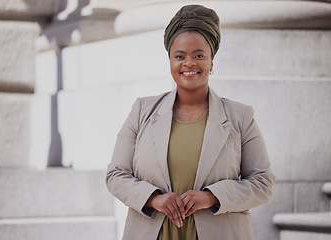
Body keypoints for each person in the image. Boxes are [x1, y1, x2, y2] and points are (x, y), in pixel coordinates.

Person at [106, 4, 275, 240]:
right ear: (171, 62)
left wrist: (213, 196)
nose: (189, 63)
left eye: (199, 55)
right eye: (180, 56)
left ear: (211, 62)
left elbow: (262, 183)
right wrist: (153, 199)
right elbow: (116, 174)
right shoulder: (142, 111)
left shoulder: (241, 117)